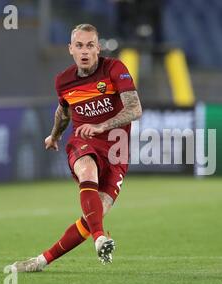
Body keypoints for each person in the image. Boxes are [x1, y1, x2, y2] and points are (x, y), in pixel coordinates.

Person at [11, 23, 142, 271]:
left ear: (98, 48)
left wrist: (102, 126)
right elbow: (64, 111)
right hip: (83, 142)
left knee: (94, 217)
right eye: (79, 46)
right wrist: (54, 136)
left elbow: (135, 108)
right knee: (86, 170)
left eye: (90, 45)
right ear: (70, 49)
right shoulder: (63, 81)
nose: (84, 51)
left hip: (117, 152)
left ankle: (40, 261)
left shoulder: (114, 69)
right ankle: (100, 239)